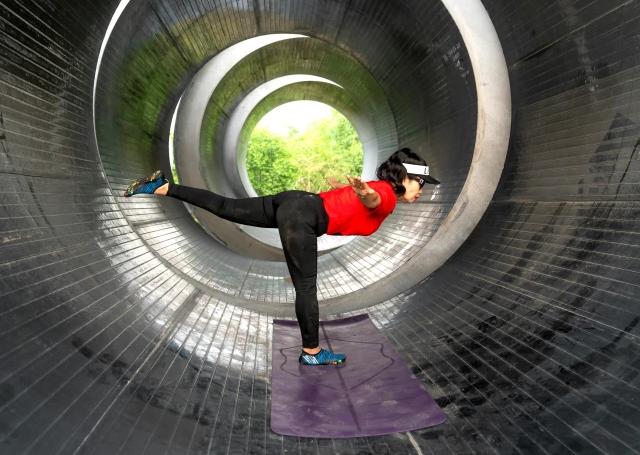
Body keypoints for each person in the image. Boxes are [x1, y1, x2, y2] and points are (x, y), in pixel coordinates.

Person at [124, 148, 439, 365]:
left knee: (225, 206)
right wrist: (364, 193)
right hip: (303, 216)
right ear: (404, 178)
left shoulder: (377, 187)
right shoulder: (384, 194)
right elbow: (374, 201)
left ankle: (163, 187)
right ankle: (311, 352)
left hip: (294, 202)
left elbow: (367, 199)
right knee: (306, 289)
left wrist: (360, 191)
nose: (422, 189)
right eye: (420, 182)